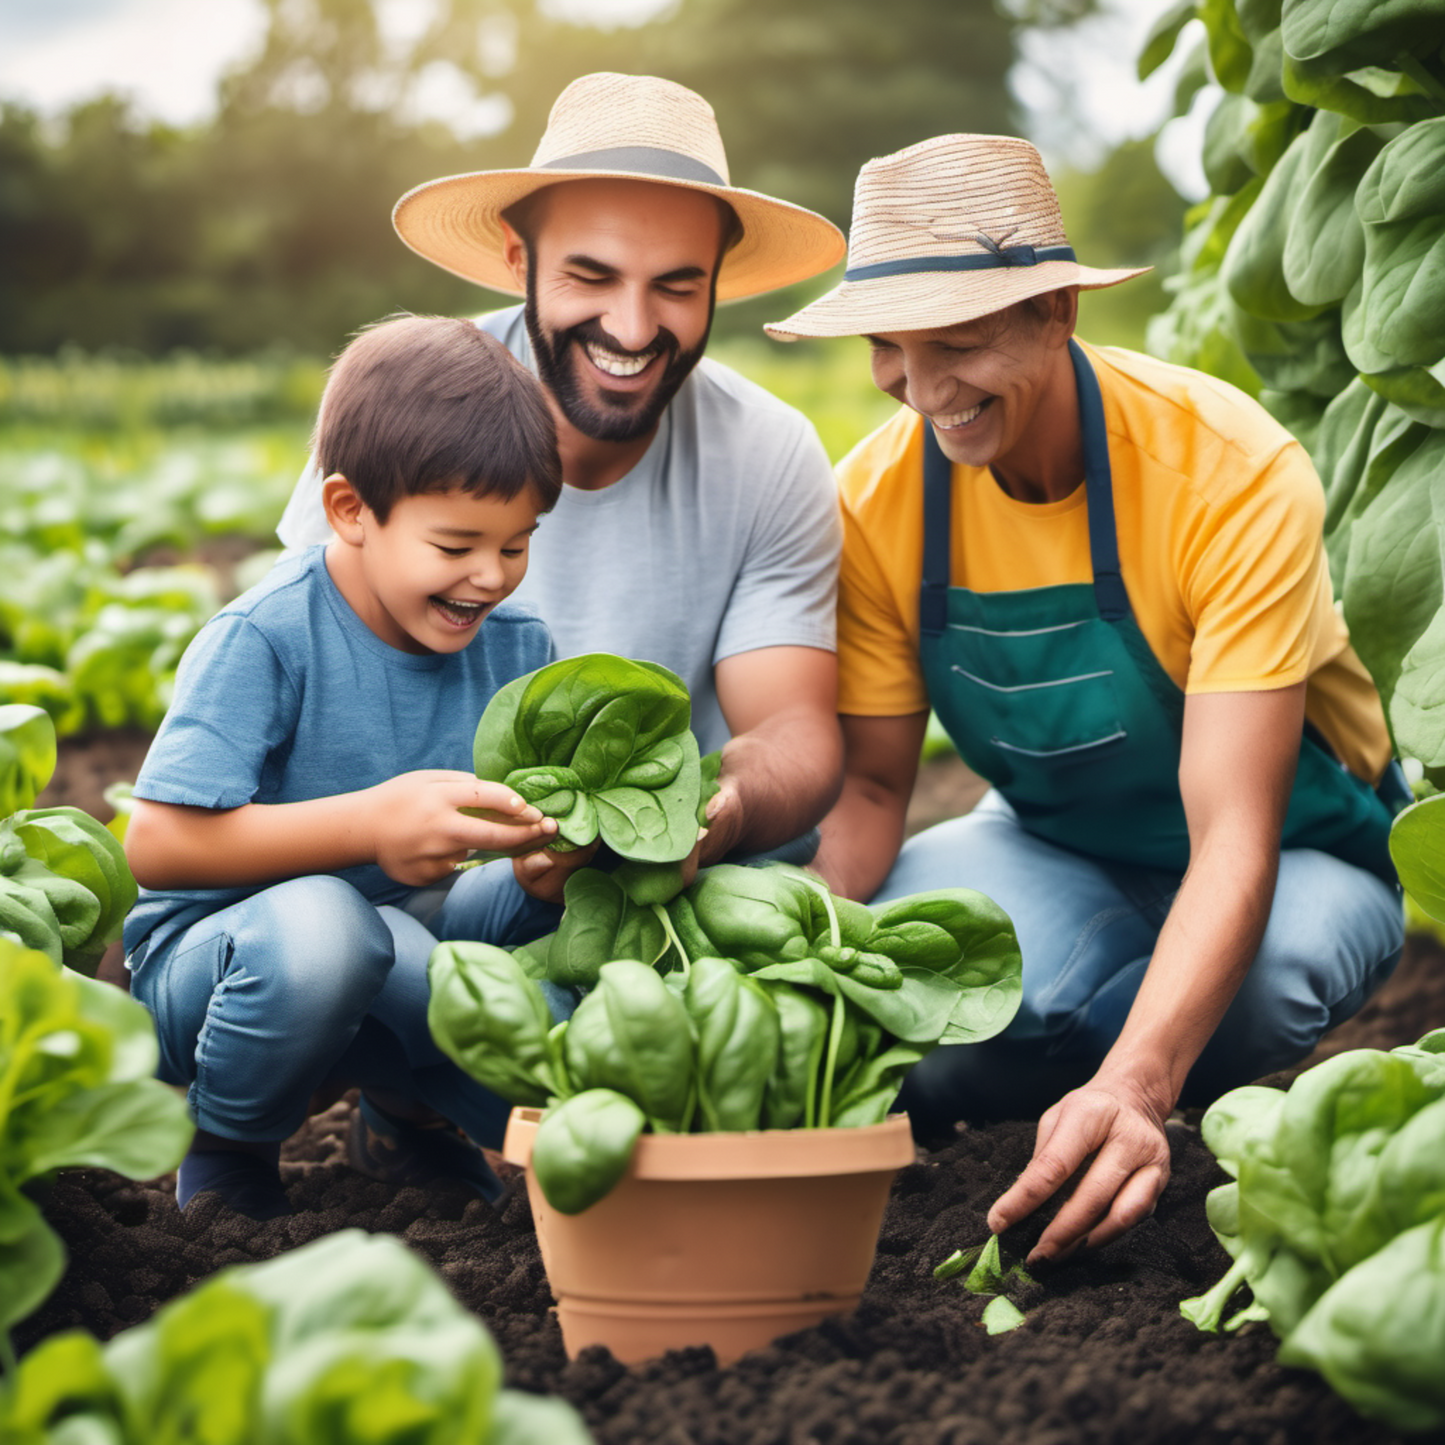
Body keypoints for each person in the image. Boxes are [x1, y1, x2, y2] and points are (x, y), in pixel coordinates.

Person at [768, 135, 1406, 1264]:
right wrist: (799, 953)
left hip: (1291, 840)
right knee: (917, 998)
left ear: (1055, 310)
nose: (920, 393)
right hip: (1050, 836)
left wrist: (1134, 1081)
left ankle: (1108, 1051)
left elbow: (1232, 830)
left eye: (956, 343)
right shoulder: (870, 499)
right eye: (886, 348)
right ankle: (1087, 1025)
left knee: (1257, 991)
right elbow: (872, 786)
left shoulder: (1225, 470)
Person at [277, 72, 849, 894]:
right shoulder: (401, 403)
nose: (632, 327)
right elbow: (296, 673)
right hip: (390, 874)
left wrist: (711, 815)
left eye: (677, 286)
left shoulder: (769, 449)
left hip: (629, 880)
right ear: (519, 259)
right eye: (592, 276)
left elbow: (791, 726)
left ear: (717, 278)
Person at [123, 315, 570, 1219]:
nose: (489, 576)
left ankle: (408, 1119)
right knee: (335, 932)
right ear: (349, 510)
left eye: (515, 545)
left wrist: (553, 859)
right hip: (227, 971)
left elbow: (519, 865)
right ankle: (229, 1140)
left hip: (408, 942)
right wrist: (368, 825)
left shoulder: (519, 649)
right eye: (455, 546)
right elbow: (156, 844)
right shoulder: (267, 635)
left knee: (527, 919)